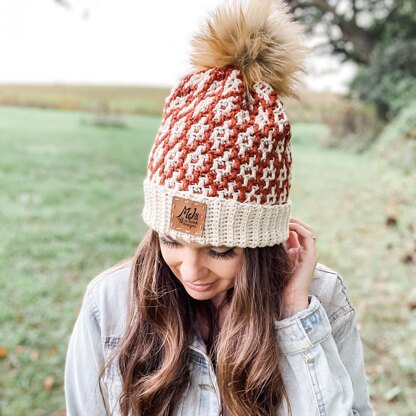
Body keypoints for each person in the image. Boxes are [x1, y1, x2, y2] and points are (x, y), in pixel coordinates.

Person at [64, 0, 374, 414]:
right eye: (172, 240)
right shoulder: (108, 304)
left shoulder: (322, 298)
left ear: (260, 243)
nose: (191, 272)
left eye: (220, 250)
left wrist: (295, 321)